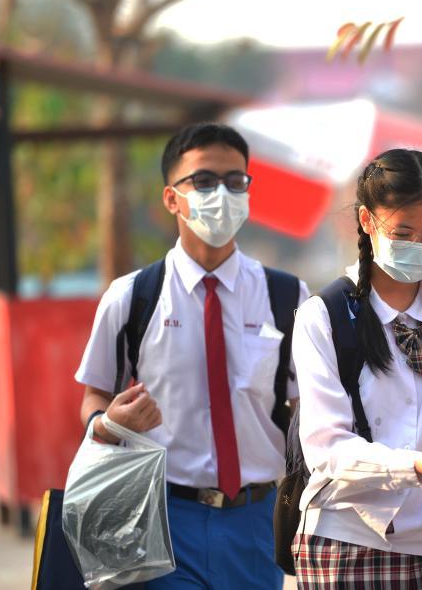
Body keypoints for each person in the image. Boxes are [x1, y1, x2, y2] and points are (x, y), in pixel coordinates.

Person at [75, 123, 308, 589]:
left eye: (234, 180)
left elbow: (307, 404)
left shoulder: (287, 296)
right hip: (159, 516)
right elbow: (94, 396)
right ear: (171, 198)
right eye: (203, 181)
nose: (221, 193)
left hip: (256, 520)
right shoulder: (133, 297)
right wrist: (109, 424)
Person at [291, 149, 422, 589]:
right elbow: (326, 449)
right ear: (367, 221)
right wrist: (414, 464)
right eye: (403, 233)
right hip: (349, 543)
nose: (419, 248)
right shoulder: (324, 314)